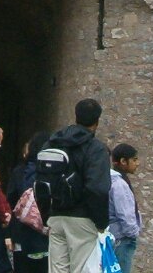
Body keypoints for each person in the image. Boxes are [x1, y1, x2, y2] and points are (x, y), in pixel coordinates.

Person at [44, 98, 112, 273]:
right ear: (97, 121)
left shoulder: (52, 143)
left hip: (56, 215)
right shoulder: (95, 148)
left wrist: (46, 215)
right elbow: (97, 188)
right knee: (82, 269)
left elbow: (41, 180)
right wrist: (101, 222)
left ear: (76, 116)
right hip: (82, 217)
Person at [7, 133, 51, 273]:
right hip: (46, 232)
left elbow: (10, 200)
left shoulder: (20, 171)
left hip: (22, 232)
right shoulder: (53, 173)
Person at [110, 143, 144, 273]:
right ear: (123, 161)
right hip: (122, 238)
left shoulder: (116, 181)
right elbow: (124, 213)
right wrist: (133, 232)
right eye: (134, 160)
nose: (137, 163)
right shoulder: (119, 184)